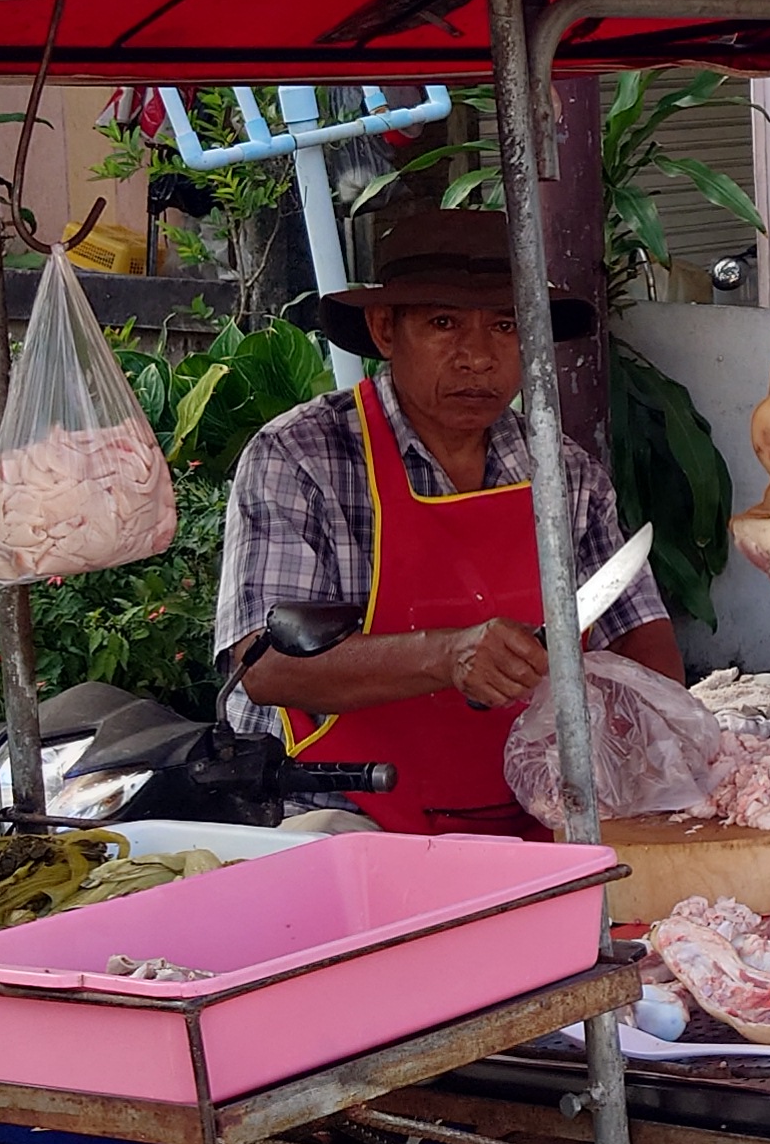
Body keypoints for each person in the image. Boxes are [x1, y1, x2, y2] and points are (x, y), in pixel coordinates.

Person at [218, 202, 679, 835]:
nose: (478, 357)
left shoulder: (565, 473)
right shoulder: (301, 458)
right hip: (353, 816)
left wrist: (629, 736)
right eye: (443, 323)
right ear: (384, 329)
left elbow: (640, 638)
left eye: (507, 326)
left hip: (540, 815)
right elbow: (264, 666)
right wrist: (447, 656)